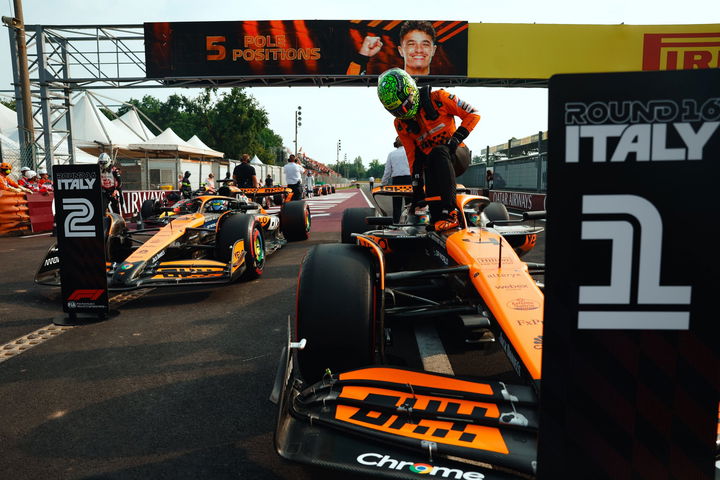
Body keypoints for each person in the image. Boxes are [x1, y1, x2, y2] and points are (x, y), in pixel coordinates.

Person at [377, 67, 479, 232]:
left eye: (404, 107)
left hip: (457, 155)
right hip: (434, 164)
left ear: (411, 91)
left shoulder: (439, 98)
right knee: (428, 161)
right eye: (395, 111)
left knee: (438, 152)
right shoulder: (400, 123)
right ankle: (438, 217)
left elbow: (473, 114)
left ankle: (451, 212)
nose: (403, 113)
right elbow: (412, 156)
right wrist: (416, 187)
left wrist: (457, 138)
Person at [347, 21, 437, 76]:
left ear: (433, 50)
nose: (419, 50)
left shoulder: (444, 90)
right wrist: (362, 57)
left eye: (425, 44)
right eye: (411, 44)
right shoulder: (388, 85)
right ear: (400, 51)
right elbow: (348, 88)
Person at [381, 137, 412, 222]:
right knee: (410, 205)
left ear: (395, 143)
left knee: (397, 205)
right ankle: (410, 223)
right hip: (409, 180)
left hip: (397, 181)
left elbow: (387, 170)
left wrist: (383, 183)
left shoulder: (391, 154)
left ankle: (396, 224)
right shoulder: (410, 151)